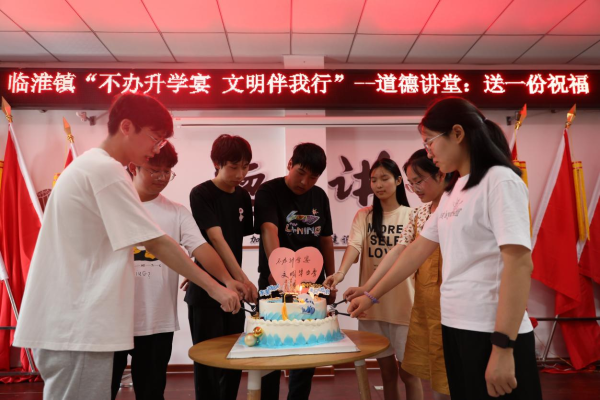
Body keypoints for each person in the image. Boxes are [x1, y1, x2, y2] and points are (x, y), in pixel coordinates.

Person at [13, 93, 241, 400]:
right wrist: (217, 289)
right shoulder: (104, 170)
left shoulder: (92, 167)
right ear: (127, 127)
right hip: (77, 325)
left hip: (76, 324)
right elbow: (157, 242)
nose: (156, 149)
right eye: (155, 139)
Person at [348, 97, 542, 400]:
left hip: (490, 330)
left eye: (429, 142)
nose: (429, 152)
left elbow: (518, 264)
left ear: (457, 133)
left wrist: (503, 346)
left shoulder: (500, 181)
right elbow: (415, 252)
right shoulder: (455, 191)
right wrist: (371, 295)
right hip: (453, 325)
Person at [110, 142, 249, 400]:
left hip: (156, 321)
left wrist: (227, 280)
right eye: (155, 170)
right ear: (133, 167)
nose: (162, 177)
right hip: (110, 321)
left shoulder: (176, 211)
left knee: (152, 394)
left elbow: (201, 247)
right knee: (100, 392)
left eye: (167, 172)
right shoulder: (112, 205)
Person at [344, 150, 451, 400]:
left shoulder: (451, 209)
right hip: (419, 305)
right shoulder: (419, 214)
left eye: (419, 181)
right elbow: (400, 254)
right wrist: (367, 291)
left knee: (432, 373)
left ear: (441, 174)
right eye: (412, 183)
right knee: (431, 377)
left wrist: (369, 293)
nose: (416, 188)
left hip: (433, 306)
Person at [324, 158, 423, 400]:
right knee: (386, 373)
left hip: (405, 306)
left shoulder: (412, 215)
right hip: (371, 306)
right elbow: (354, 246)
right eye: (374, 180)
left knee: (410, 374)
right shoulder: (364, 215)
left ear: (398, 181)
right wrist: (340, 273)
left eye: (384, 179)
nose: (378, 185)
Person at [254, 142, 335, 400]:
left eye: (313, 177)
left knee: (306, 349)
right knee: (270, 348)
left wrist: (331, 279)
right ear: (290, 164)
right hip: (274, 281)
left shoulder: (319, 196)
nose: (304, 182)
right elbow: (269, 230)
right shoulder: (269, 191)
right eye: (301, 173)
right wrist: (277, 270)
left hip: (312, 284)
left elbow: (325, 239)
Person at [185, 134, 258, 400]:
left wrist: (240, 282)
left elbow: (236, 239)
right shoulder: (201, 193)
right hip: (207, 292)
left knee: (233, 358)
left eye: (245, 167)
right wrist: (242, 279)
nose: (240, 174)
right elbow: (216, 239)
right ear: (216, 163)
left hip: (234, 290)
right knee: (208, 363)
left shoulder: (242, 196)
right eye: (233, 167)